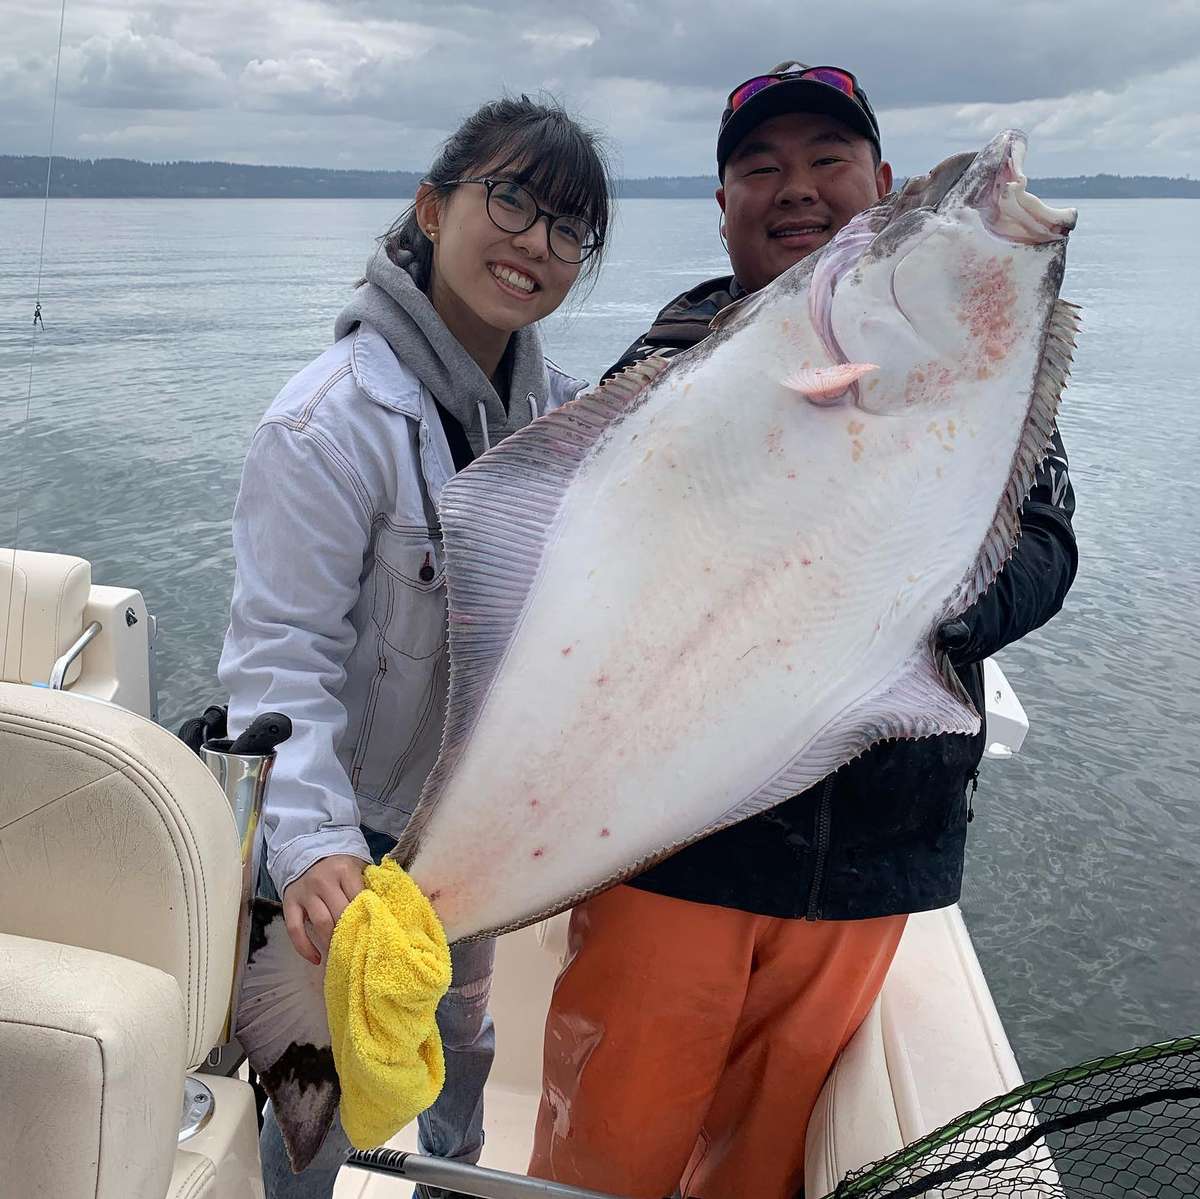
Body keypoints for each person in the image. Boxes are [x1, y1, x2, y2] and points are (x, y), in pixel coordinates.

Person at [527, 62, 1078, 1199]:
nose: (796, 188)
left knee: (763, 1165)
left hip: (870, 859)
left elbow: (1047, 543)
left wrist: (911, 611)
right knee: (604, 1153)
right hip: (678, 848)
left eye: (828, 159)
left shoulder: (982, 356)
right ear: (722, 203)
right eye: (761, 168)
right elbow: (587, 561)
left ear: (883, 183)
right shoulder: (672, 357)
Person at [217, 95, 611, 1199]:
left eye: (570, 226)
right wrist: (313, 845)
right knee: (314, 1102)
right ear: (433, 209)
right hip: (349, 832)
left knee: (459, 1051)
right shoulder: (327, 422)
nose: (536, 242)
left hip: (467, 835)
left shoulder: (564, 423)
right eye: (512, 199)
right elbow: (278, 656)